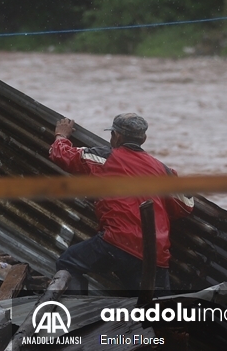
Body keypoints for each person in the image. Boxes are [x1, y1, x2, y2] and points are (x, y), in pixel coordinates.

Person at [50, 113, 194, 294]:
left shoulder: (104, 157)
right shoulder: (162, 170)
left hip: (116, 243)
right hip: (155, 254)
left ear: (116, 136)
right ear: (144, 138)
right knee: (157, 309)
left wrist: (61, 136)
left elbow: (61, 155)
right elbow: (186, 205)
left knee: (67, 264)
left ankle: (77, 315)